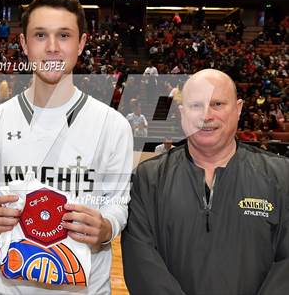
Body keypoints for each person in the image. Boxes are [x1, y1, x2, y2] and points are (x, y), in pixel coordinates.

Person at [0, 0, 133, 295]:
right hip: (7, 289)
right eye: (41, 35)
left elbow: (117, 204)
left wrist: (107, 227)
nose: (53, 48)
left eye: (65, 35)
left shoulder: (113, 126)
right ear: (24, 44)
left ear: (82, 43)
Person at [121, 69, 289, 295]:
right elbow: (141, 263)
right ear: (182, 113)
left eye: (217, 104)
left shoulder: (282, 176)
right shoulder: (148, 178)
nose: (206, 115)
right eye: (195, 106)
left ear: (238, 109)